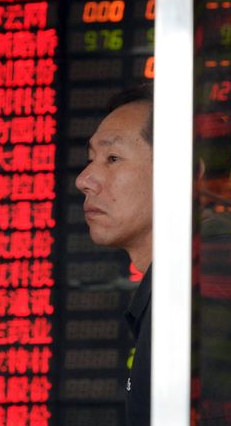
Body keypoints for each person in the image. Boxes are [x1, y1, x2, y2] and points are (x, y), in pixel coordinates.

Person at [75, 86, 153, 425]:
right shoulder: (207, 275)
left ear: (188, 172)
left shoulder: (203, 292)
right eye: (92, 158)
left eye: (112, 158)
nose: (84, 180)